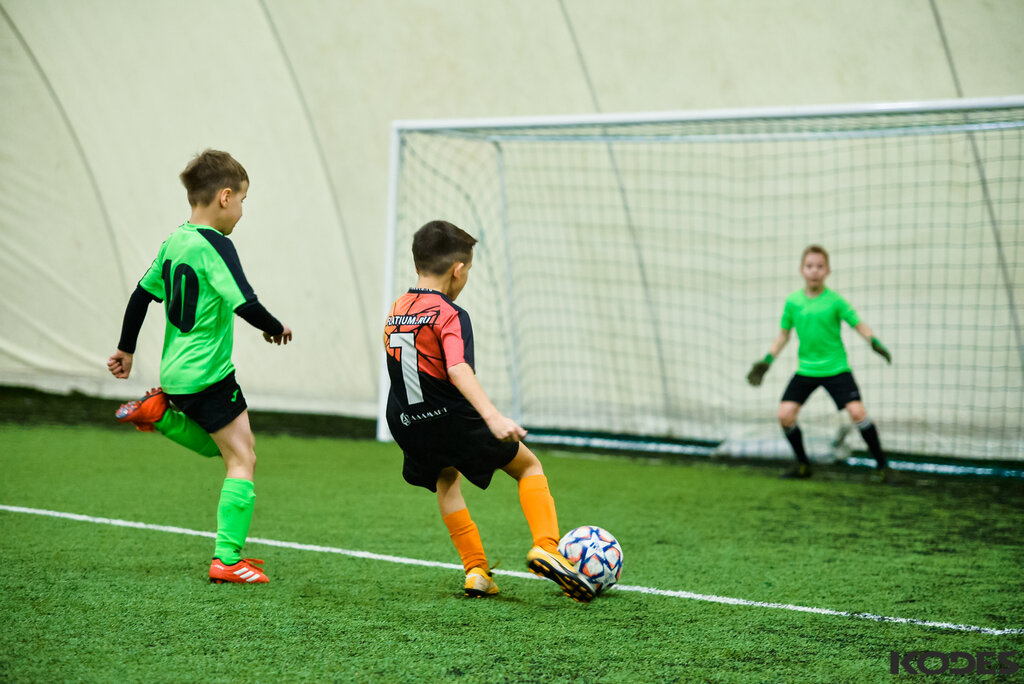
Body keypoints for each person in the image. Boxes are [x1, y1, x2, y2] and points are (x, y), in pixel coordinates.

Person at [383, 219, 594, 602]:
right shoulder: (450, 313)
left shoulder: (397, 308)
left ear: (417, 264)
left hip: (406, 421)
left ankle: (476, 571)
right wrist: (493, 416)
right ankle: (546, 546)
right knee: (528, 466)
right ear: (457, 269)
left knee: (446, 481)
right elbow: (457, 368)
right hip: (450, 416)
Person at [107, 149, 292, 583]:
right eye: (243, 200)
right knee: (243, 458)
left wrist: (126, 349)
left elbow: (141, 295)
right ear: (225, 197)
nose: (242, 210)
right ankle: (226, 559)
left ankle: (161, 415)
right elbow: (244, 301)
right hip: (209, 374)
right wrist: (275, 327)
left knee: (223, 449)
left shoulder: (176, 240)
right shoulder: (216, 245)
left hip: (175, 374)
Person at [747, 245, 892, 480]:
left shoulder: (835, 301)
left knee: (857, 412)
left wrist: (873, 342)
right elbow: (783, 335)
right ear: (801, 270)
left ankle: (884, 467)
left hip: (836, 369)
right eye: (809, 266)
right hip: (806, 370)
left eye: (820, 266)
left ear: (828, 271)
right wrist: (767, 360)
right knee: (785, 415)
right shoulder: (793, 302)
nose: (814, 271)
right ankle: (803, 465)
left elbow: (858, 324)